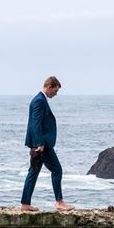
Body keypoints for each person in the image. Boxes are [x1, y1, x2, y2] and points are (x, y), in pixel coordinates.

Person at [21, 76, 74, 212]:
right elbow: (36, 124)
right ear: (49, 87)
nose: (55, 94)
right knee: (57, 170)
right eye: (55, 91)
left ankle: (25, 204)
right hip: (42, 145)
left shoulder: (40, 99)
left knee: (33, 171)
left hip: (39, 143)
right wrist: (40, 143)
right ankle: (59, 202)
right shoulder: (39, 101)